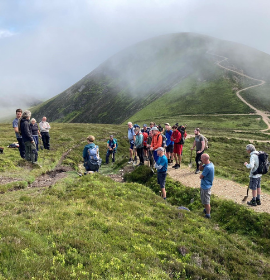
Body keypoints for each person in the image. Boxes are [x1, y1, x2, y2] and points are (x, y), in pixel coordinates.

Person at [199, 153, 214, 219]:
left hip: (206, 186)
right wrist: (201, 165)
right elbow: (200, 169)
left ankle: (208, 214)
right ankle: (206, 210)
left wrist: (202, 168)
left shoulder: (208, 167)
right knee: (205, 200)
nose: (200, 159)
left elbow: (201, 176)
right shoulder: (210, 164)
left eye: (201, 158)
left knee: (206, 201)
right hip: (207, 185)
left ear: (204, 159)